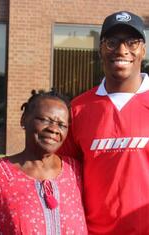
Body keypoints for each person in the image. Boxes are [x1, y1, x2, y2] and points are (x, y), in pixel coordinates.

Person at [59, 11, 149, 234]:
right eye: (112, 42)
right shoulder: (78, 109)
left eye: (132, 42)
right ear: (100, 49)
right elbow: (61, 173)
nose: (121, 50)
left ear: (143, 50)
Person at [0, 90, 87, 234]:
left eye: (62, 125)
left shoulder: (75, 171)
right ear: (24, 119)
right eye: (45, 120)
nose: (53, 129)